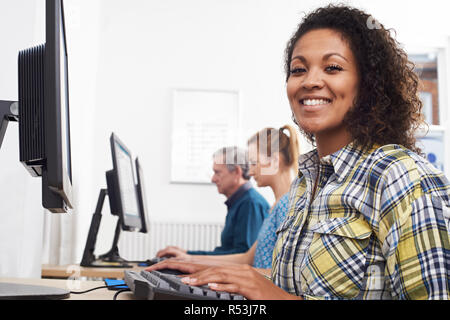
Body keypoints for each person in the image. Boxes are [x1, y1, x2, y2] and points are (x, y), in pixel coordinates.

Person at [147, 5, 450, 300]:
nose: (310, 81)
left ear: (369, 83)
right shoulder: (306, 186)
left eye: (333, 67)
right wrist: (202, 272)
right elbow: (298, 289)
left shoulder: (402, 177)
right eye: (298, 70)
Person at [156, 125, 300, 272]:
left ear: (274, 160)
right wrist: (188, 259)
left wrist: (219, 274)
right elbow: (246, 259)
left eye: (254, 163)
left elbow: (284, 278)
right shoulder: (277, 205)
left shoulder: (287, 206)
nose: (250, 171)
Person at [158, 146, 270, 256]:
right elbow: (227, 252)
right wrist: (186, 254)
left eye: (217, 172)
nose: (213, 179)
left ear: (236, 172)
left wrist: (189, 257)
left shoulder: (250, 204)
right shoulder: (240, 202)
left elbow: (242, 257)